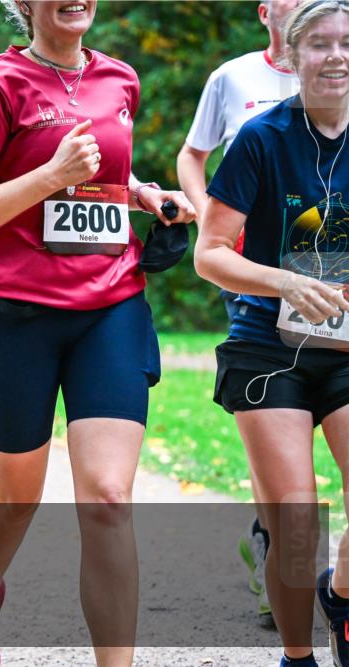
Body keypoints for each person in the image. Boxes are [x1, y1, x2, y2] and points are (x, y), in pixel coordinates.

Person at [0, 1, 197, 665]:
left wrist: (143, 194)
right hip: (14, 315)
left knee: (109, 498)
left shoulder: (121, 80)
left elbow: (105, 173)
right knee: (18, 497)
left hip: (111, 306)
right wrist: (51, 175)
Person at [194, 2, 348, 665]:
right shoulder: (260, 137)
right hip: (269, 346)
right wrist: (281, 281)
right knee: (296, 514)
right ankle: (297, 656)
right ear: (292, 55)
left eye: (348, 43)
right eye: (319, 45)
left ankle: (339, 594)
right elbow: (210, 252)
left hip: (346, 343)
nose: (337, 56)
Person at [177, 0, 304, 624]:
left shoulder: (335, 68)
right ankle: (275, 545)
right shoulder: (233, 79)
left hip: (331, 275)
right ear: (265, 12)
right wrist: (209, 215)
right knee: (275, 412)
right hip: (250, 272)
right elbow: (191, 156)